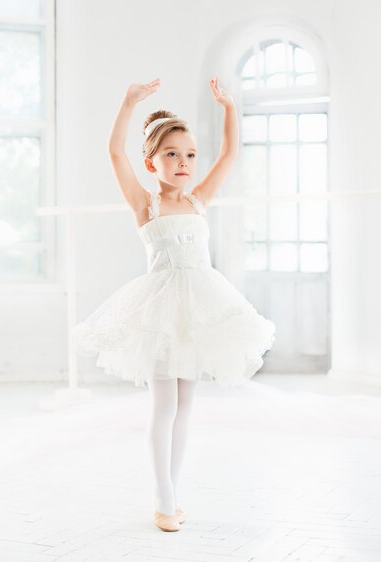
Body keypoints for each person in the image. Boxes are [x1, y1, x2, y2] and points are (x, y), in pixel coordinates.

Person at [71, 76, 276, 532]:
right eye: (171, 155)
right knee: (164, 406)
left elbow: (229, 156)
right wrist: (127, 102)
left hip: (198, 313)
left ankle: (173, 491)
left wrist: (229, 108)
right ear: (151, 163)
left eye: (188, 155)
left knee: (187, 406)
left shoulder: (200, 201)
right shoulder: (147, 206)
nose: (183, 163)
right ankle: (163, 499)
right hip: (161, 314)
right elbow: (113, 155)